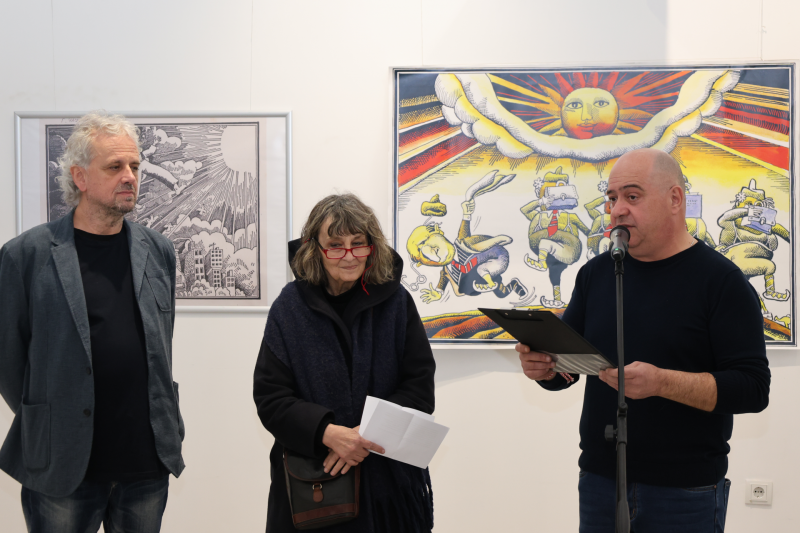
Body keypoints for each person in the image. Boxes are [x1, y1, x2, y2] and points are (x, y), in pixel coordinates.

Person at [517, 148, 770, 532]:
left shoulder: (722, 282)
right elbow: (569, 367)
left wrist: (662, 383)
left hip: (686, 490)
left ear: (675, 199)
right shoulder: (596, 274)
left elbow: (752, 389)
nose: (617, 210)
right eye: (612, 198)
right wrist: (546, 369)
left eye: (632, 196)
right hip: (600, 480)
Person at [0, 111, 185, 532]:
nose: (130, 177)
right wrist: (47, 413)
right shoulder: (26, 255)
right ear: (80, 177)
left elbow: (162, 343)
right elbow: (9, 360)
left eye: (134, 166)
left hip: (145, 460)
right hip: (62, 463)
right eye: (114, 166)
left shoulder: (159, 250)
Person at [254, 193, 436, 532]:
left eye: (358, 244)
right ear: (315, 248)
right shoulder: (289, 307)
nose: (349, 256)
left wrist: (361, 437)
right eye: (336, 246)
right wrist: (327, 433)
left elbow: (419, 387)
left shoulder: (397, 302)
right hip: (312, 488)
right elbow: (271, 397)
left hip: (387, 488)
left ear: (372, 245)